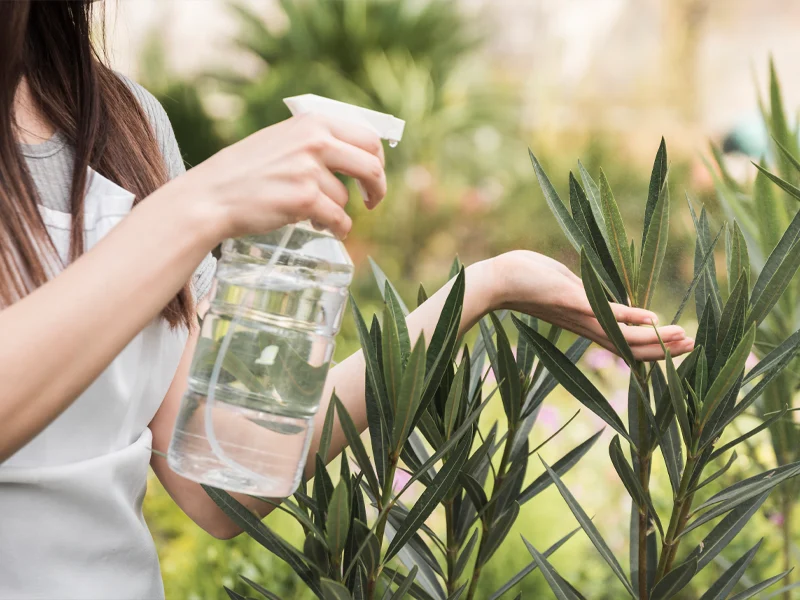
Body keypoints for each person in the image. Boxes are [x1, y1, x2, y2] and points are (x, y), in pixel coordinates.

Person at [0, 2, 694, 599]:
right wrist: (197, 208)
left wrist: (485, 286)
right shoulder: (178, 202)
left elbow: (221, 481)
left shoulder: (119, 122)